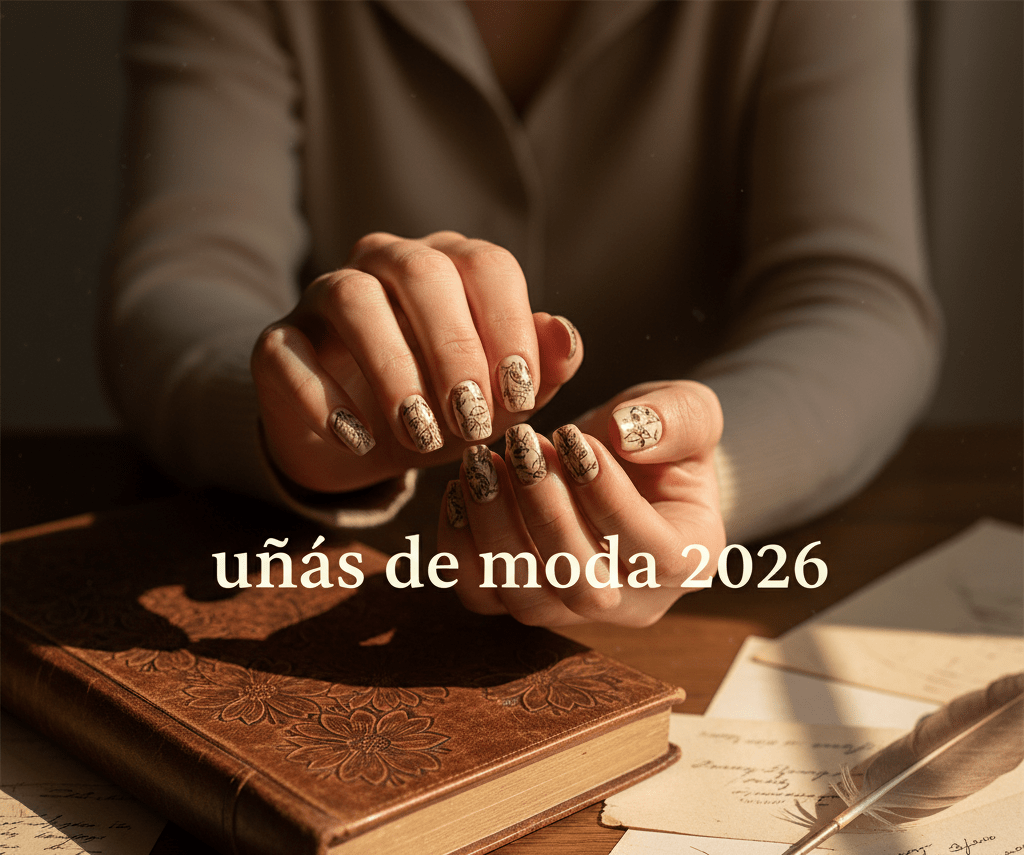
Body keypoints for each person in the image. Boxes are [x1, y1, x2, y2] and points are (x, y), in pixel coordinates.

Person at [102, 0, 940, 627]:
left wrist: (708, 472)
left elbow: (855, 298)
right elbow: (182, 277)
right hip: (345, 567)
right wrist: (285, 413)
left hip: (697, 607)